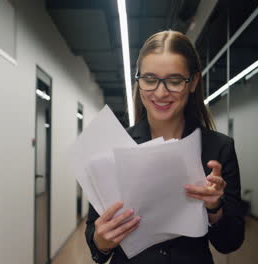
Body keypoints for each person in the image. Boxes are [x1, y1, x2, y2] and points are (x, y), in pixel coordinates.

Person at [85, 30, 244, 264]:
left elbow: (230, 243)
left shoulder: (219, 148)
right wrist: (102, 240)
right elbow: (96, 244)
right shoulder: (113, 147)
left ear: (193, 82)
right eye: (149, 79)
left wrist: (214, 208)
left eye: (174, 80)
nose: (160, 92)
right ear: (138, 81)